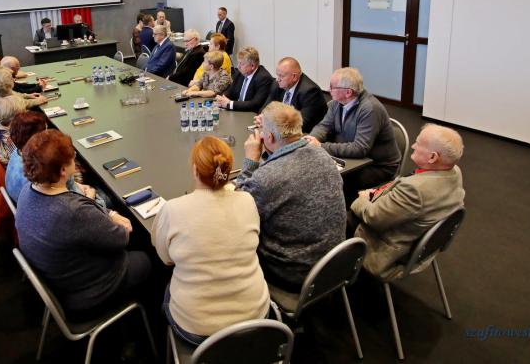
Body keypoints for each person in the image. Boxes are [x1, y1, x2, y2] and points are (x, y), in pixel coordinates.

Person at [15, 129, 150, 318]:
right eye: (72, 157)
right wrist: (116, 220)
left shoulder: (27, 191)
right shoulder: (72, 211)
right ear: (63, 170)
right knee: (146, 257)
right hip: (86, 293)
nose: (75, 158)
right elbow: (121, 238)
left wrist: (109, 214)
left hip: (58, 280)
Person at [152, 136, 270, 345]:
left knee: (165, 290)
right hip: (256, 320)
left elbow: (166, 259)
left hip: (198, 332)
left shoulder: (172, 209)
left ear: (195, 170)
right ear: (228, 169)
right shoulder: (247, 200)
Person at [234, 102, 346, 289]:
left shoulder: (268, 177)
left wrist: (251, 161)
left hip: (294, 272)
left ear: (269, 137)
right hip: (335, 262)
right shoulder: (323, 155)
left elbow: (238, 209)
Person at [350, 124, 465, 282]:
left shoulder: (415, 190)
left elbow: (374, 217)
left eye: (418, 143)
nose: (413, 146)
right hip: (420, 244)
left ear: (433, 157)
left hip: (385, 253)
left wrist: (361, 199)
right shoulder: (454, 171)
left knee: (337, 215)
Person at [307, 67, 401, 204]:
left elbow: (360, 148)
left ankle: (342, 212)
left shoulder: (370, 109)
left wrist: (321, 146)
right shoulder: (336, 103)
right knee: (318, 172)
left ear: (348, 92)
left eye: (332, 87)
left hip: (378, 166)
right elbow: (324, 126)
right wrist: (312, 138)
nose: (328, 89)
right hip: (353, 159)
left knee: (332, 180)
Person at [5, 111, 106, 209]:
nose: (49, 134)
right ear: (37, 140)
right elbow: (78, 207)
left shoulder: (16, 155)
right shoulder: (42, 172)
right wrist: (90, 197)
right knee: (107, 195)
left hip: (33, 208)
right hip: (74, 209)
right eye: (46, 131)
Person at [258, 57, 327, 134]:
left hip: (303, 134)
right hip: (281, 131)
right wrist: (262, 117)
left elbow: (302, 124)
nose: (277, 79)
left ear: (294, 77)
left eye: (281, 76)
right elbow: (265, 107)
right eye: (277, 75)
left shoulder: (310, 92)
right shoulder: (278, 84)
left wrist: (270, 122)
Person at [214, 47, 273, 112]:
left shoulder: (263, 78)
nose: (238, 66)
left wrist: (229, 104)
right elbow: (230, 91)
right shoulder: (240, 73)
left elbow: (255, 104)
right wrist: (222, 99)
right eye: (238, 63)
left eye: (241, 64)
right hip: (237, 111)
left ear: (252, 66)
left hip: (250, 114)